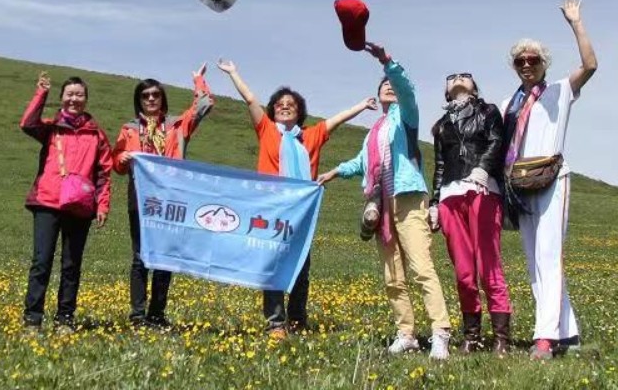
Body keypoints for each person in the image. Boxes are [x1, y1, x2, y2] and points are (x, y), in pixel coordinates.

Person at [217, 58, 377, 339]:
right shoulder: (266, 130)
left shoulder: (311, 137)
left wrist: (362, 106)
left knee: (301, 266)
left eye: (290, 103)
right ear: (273, 111)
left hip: (301, 212)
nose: (284, 106)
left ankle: (298, 319)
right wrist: (233, 73)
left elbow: (337, 120)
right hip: (271, 209)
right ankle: (276, 323)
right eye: (279, 104)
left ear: (300, 110)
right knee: (273, 265)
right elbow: (250, 99)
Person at [318, 43, 452, 360]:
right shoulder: (374, 131)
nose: (389, 87)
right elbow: (362, 162)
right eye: (384, 86)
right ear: (378, 97)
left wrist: (387, 62)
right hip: (383, 206)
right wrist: (334, 172)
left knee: (421, 267)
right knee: (393, 275)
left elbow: (406, 89)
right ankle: (406, 334)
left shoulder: (406, 117)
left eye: (391, 84)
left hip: (407, 199)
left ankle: (440, 333)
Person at [501, 0, 597, 360]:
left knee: (549, 253)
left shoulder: (560, 90)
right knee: (533, 258)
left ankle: (545, 337)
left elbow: (590, 64)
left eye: (533, 59)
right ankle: (567, 332)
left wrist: (575, 22)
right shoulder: (512, 102)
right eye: (520, 60)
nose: (527, 64)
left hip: (552, 178)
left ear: (544, 63)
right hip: (521, 185)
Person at [113, 64, 214, 327]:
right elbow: (117, 165)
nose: (150, 99)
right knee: (140, 256)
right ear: (139, 100)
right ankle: (137, 315)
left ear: (162, 99)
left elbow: (204, 105)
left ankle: (156, 314)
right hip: (141, 201)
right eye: (145, 96)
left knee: (165, 257)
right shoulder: (129, 129)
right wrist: (122, 159)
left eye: (155, 95)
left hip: (171, 202)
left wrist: (198, 80)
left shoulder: (176, 127)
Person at [20, 72, 113, 332]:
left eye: (79, 95)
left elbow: (104, 173)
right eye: (70, 94)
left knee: (72, 265)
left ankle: (65, 320)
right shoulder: (51, 128)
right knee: (41, 261)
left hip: (80, 206)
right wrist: (41, 94)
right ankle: (32, 319)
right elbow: (27, 123)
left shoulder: (96, 134)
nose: (74, 99)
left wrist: (103, 204)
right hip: (47, 202)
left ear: (86, 100)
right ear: (61, 98)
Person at [430, 72, 512, 355]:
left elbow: (496, 141)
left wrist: (484, 167)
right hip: (450, 198)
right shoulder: (441, 126)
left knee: (488, 265)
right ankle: (472, 336)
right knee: (464, 271)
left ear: (475, 87)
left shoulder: (488, 112)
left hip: (483, 190)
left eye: (465, 76)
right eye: (451, 77)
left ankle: (502, 337)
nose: (458, 79)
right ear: (446, 90)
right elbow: (440, 165)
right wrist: (434, 202)